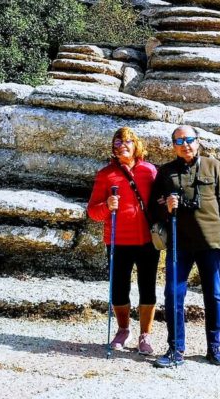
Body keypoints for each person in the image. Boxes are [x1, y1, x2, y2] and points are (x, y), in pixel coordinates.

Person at [151, 125, 220, 368]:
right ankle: (175, 349)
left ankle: (214, 347)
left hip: (210, 242)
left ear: (198, 142)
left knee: (214, 295)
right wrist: (166, 207)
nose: (185, 145)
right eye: (179, 141)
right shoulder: (166, 172)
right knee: (173, 294)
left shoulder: (214, 166)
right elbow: (153, 208)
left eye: (189, 139)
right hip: (179, 243)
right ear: (173, 146)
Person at [87, 126, 160, 355]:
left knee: (148, 288)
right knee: (119, 289)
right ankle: (123, 330)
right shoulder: (105, 174)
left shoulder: (150, 171)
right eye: (117, 143)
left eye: (127, 141)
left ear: (136, 145)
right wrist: (107, 206)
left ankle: (145, 335)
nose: (122, 146)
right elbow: (92, 212)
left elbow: (158, 202)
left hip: (147, 240)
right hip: (117, 240)